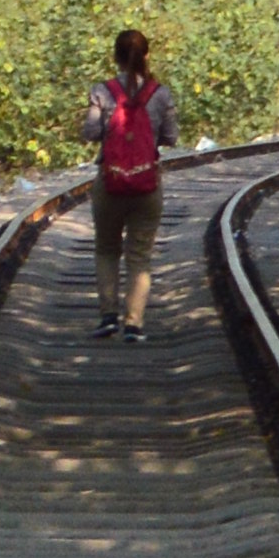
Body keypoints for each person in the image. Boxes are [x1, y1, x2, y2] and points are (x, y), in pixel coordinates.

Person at [82, 27, 178, 340]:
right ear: (146, 56)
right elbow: (171, 137)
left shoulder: (102, 90)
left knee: (107, 250)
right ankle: (134, 324)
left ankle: (108, 317)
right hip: (147, 183)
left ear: (116, 57)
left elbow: (91, 133)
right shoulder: (160, 94)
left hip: (109, 181)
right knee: (140, 256)